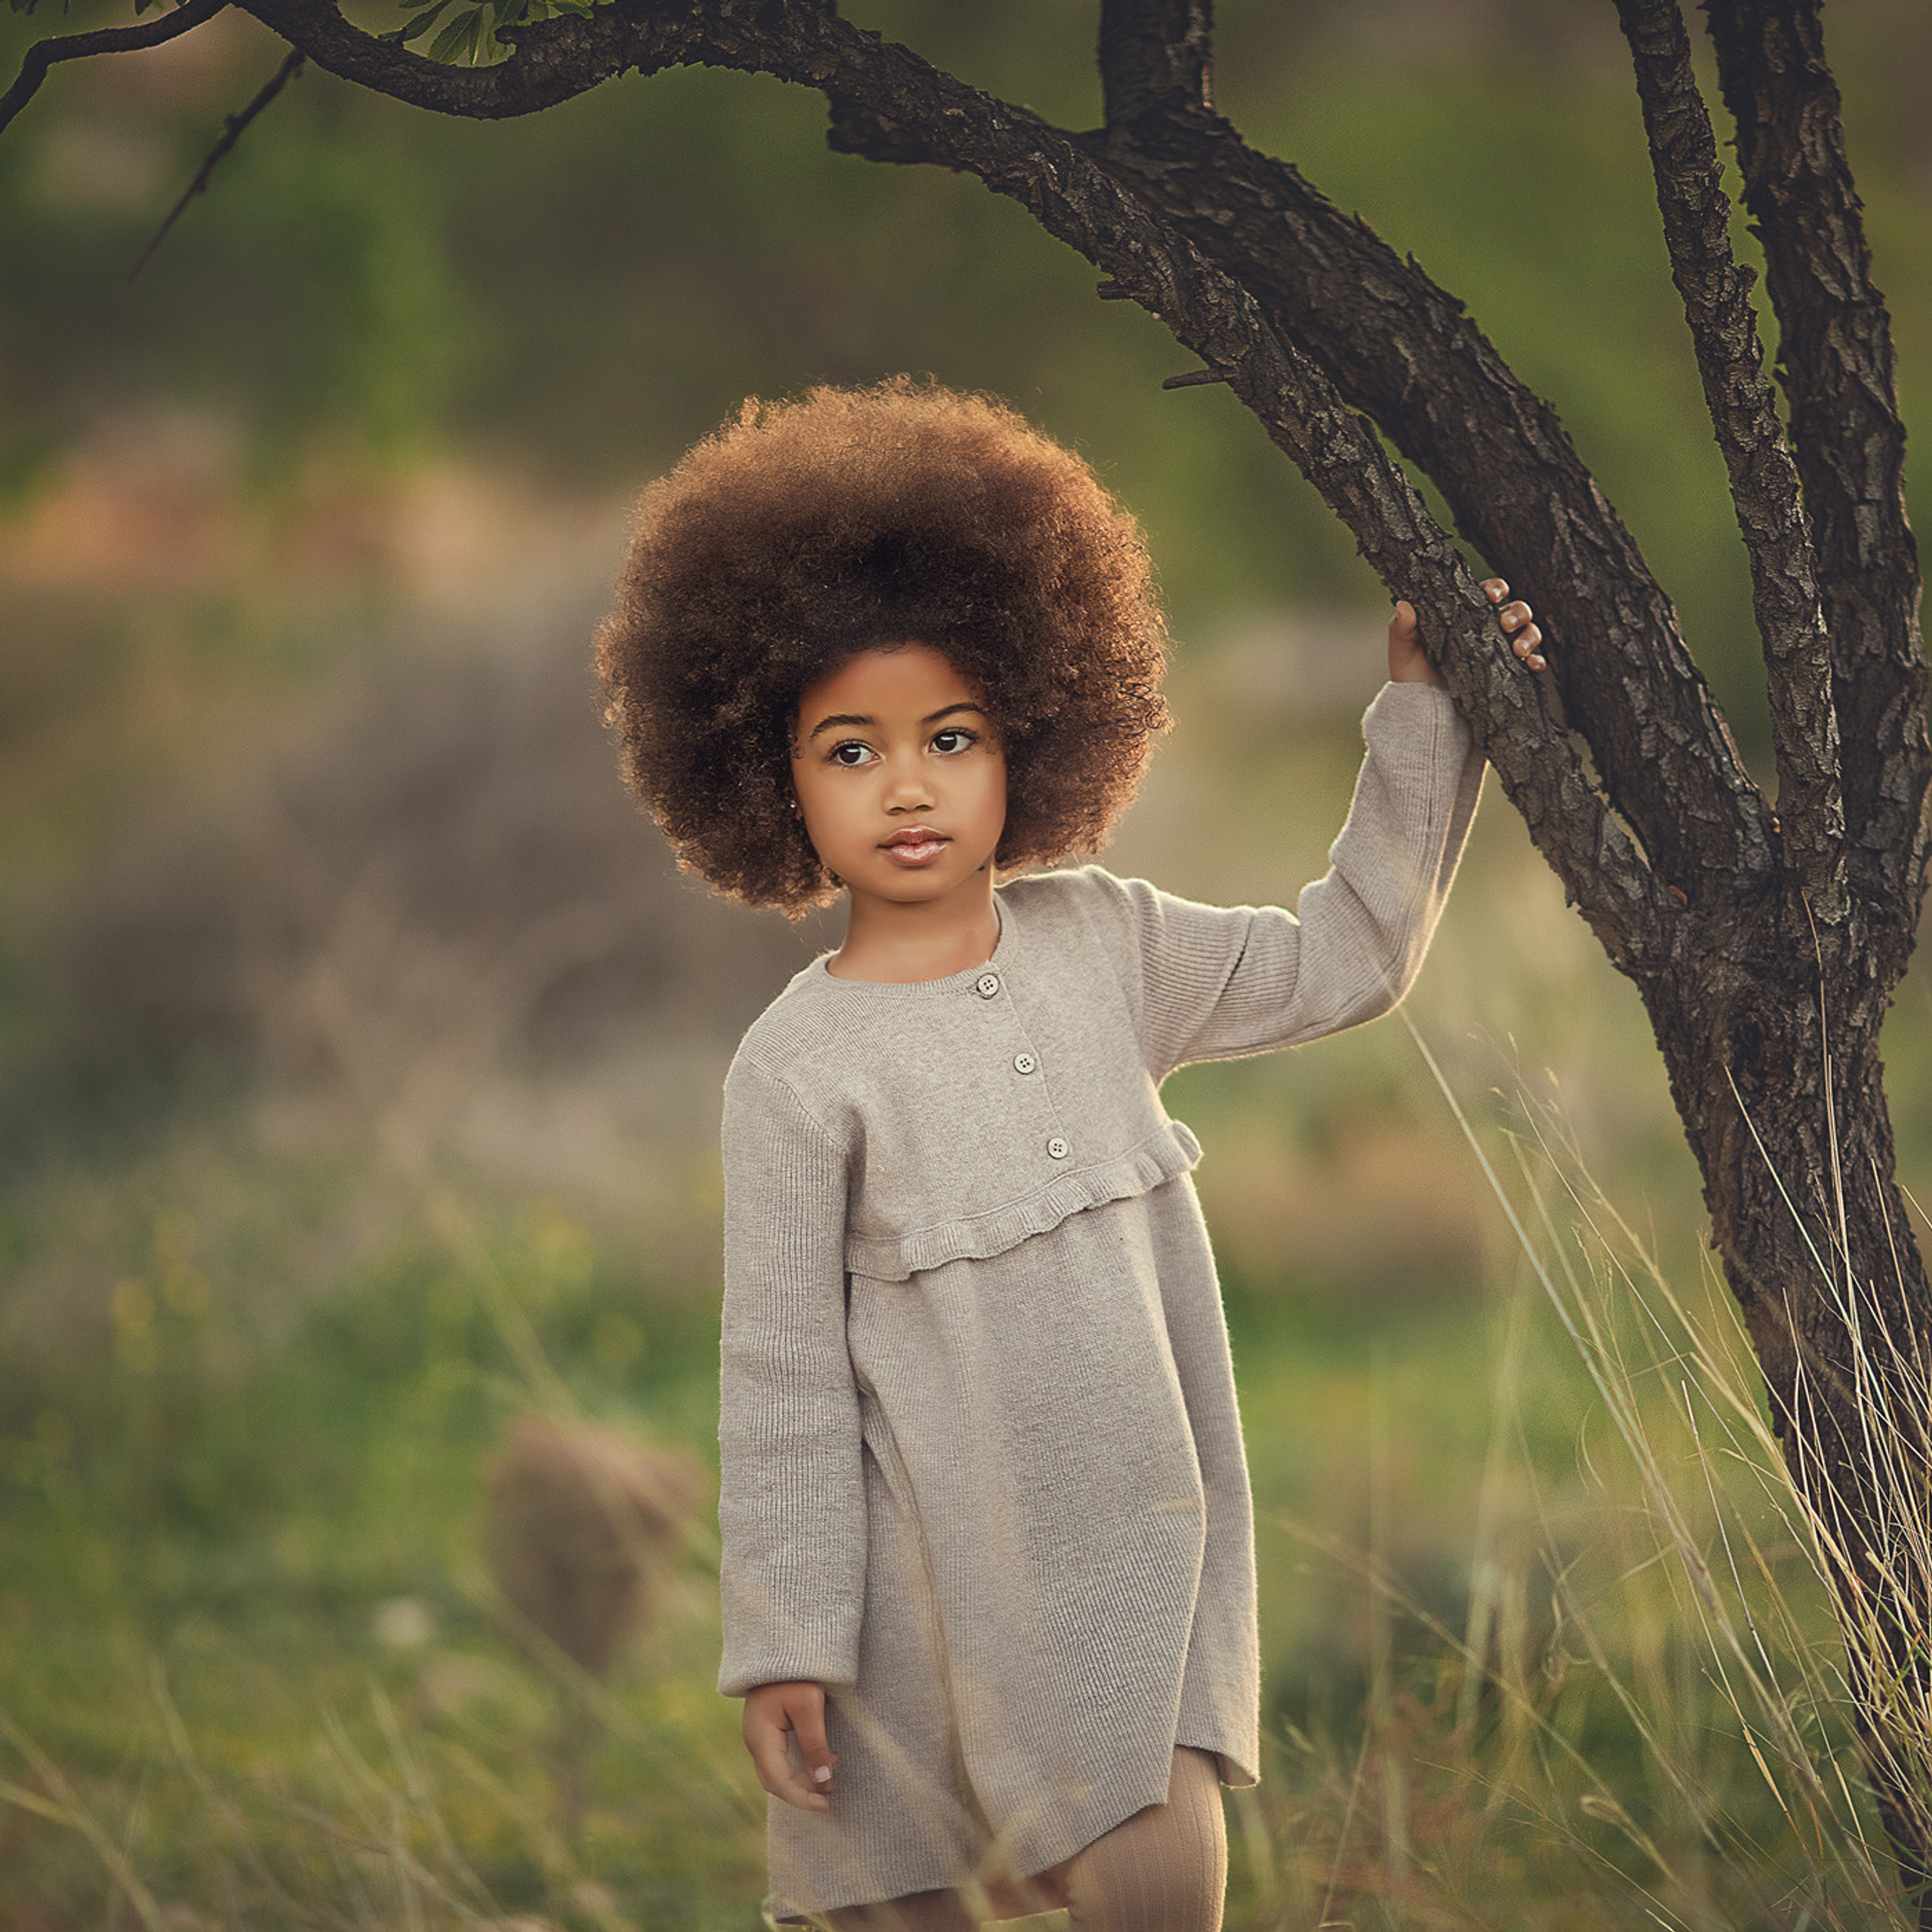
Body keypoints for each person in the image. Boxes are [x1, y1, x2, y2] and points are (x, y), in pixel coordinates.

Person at [595, 377, 1543, 1931]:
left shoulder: (1104, 941)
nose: (906, 784)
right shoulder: (792, 1065)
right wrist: (780, 1638)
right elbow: (777, 1379)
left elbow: (1347, 955)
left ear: (1030, 729)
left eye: (948, 735)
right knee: (893, 1895)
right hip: (914, 1589)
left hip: (1128, 1553)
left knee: (1157, 1879)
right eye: (850, 749)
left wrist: (1428, 713)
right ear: (767, 775)